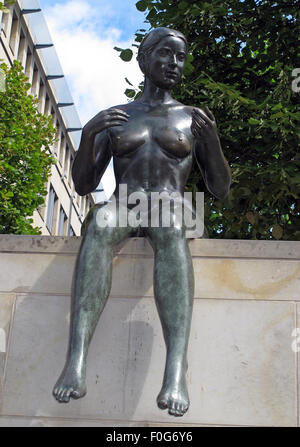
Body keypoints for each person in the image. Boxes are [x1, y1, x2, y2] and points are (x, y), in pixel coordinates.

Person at [53, 27, 231, 417]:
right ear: (145, 59)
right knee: (100, 224)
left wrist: (212, 139)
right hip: (125, 203)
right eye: (166, 54)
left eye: (180, 57)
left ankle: (175, 372)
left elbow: (219, 188)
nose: (174, 64)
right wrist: (90, 134)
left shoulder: (191, 119)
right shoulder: (117, 117)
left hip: (170, 205)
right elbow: (83, 184)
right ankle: (76, 361)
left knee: (169, 225)